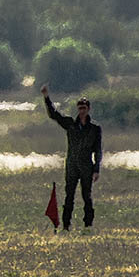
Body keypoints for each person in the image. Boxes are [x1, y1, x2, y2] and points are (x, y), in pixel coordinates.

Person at [41, 85, 103, 231]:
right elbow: (53, 115)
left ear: (88, 109)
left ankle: (88, 224)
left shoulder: (94, 129)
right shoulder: (70, 124)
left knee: (87, 197)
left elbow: (98, 150)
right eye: (80, 107)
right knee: (69, 197)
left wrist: (96, 169)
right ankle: (66, 225)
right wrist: (46, 98)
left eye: (84, 108)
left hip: (87, 166)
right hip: (72, 166)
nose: (82, 110)